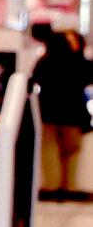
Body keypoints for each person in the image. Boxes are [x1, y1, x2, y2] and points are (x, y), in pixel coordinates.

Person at [33, 23, 90, 197]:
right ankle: (69, 186)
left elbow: (36, 80)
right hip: (73, 113)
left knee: (50, 149)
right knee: (72, 151)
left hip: (48, 112)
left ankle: (52, 186)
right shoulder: (80, 63)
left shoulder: (45, 62)